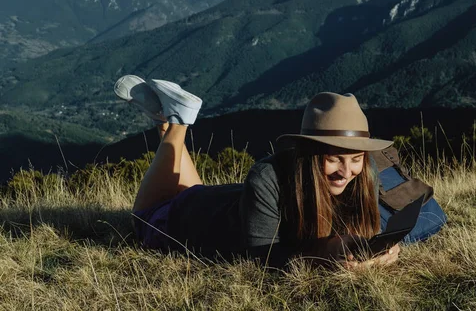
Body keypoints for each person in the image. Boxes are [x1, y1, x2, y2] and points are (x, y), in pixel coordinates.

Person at [114, 75, 401, 268]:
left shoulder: (366, 175)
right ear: (309, 156)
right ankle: (179, 121)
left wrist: (378, 256)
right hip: (185, 221)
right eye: (335, 159)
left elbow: (363, 235)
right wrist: (325, 252)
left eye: (355, 159)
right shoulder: (267, 177)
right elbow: (262, 259)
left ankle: (164, 121)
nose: (346, 171)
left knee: (191, 192)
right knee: (142, 220)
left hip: (210, 200)